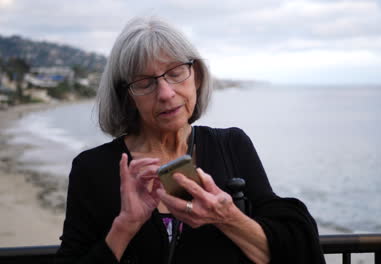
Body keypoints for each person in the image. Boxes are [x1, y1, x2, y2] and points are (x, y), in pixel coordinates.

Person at [56, 16, 325, 264]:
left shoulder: (232, 145)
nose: (165, 93)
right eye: (144, 83)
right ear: (127, 96)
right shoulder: (92, 169)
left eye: (175, 73)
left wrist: (227, 218)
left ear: (195, 75)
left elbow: (288, 250)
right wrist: (124, 226)